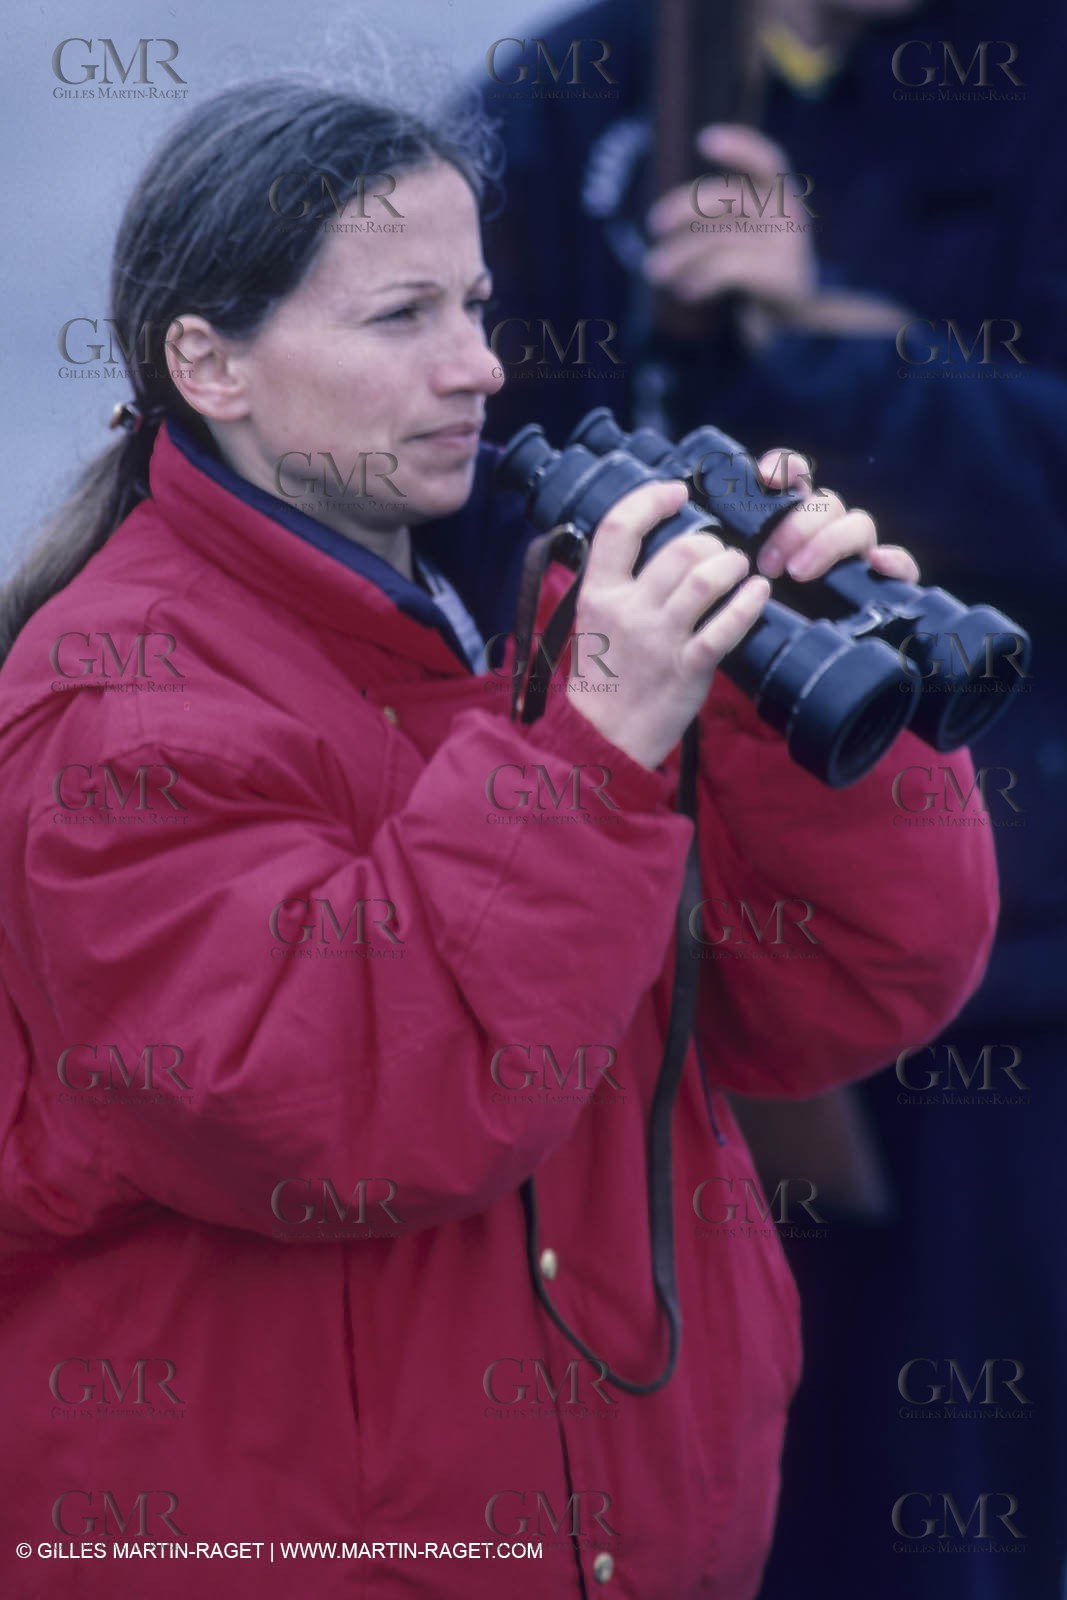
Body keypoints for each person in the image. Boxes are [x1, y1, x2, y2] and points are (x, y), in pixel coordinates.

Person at [0, 76, 996, 1600]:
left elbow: (839, 996)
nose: (478, 364)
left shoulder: (467, 629)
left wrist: (778, 698)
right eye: (401, 319)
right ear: (209, 361)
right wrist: (591, 751)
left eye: (475, 302)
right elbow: (340, 1103)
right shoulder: (113, 702)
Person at [483, 1, 1066, 1594]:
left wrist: (829, 338)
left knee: (955, 1508)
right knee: (684, 1477)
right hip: (623, 944)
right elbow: (455, 457)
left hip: (995, 979)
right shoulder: (575, 89)